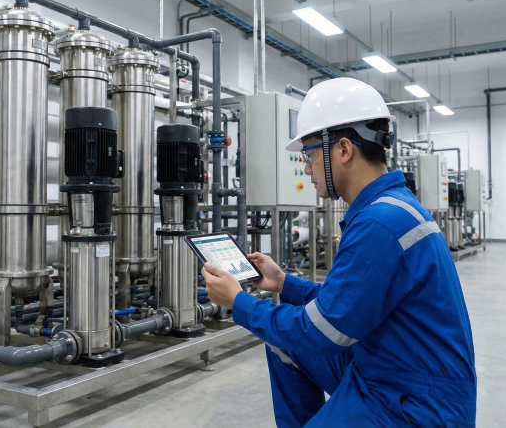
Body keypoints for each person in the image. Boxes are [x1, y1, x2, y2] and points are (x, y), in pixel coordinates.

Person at [202, 77, 476, 427]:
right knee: (283, 346)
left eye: (310, 155)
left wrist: (238, 301)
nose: (305, 168)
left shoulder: (379, 223)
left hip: (416, 401)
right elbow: (348, 301)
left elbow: (321, 332)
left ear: (344, 150)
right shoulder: (387, 208)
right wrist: (285, 283)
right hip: (392, 363)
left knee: (296, 338)